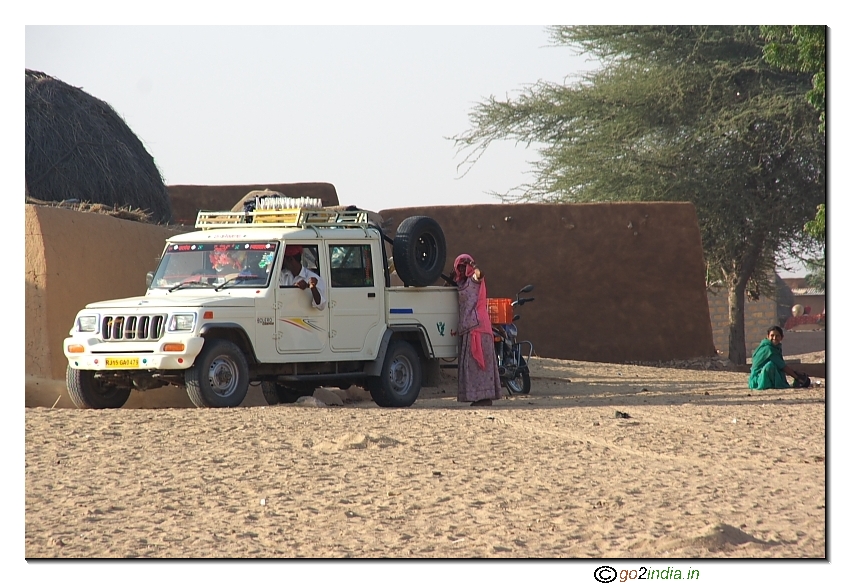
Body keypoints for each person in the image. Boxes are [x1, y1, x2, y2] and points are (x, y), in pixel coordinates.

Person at [453, 254, 501, 406]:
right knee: (471, 366)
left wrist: (473, 265)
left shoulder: (474, 279)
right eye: (459, 266)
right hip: (468, 326)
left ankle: (484, 398)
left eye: (463, 266)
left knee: (479, 364)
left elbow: (480, 274)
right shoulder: (462, 283)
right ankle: (476, 397)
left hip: (478, 327)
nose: (461, 269)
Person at [748, 325, 807, 390]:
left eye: (777, 336)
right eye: (772, 335)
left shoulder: (775, 348)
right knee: (770, 366)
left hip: (760, 377)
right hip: (757, 380)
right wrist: (797, 378)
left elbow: (780, 364)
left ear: (782, 337)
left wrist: (795, 373)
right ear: (768, 336)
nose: (774, 338)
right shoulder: (768, 349)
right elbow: (783, 366)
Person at [279, 245, 327, 310]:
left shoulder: (312, 277)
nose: (282, 263)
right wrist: (295, 288)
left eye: (284, 260)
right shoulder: (282, 275)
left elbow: (321, 306)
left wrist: (313, 287)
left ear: (290, 259)